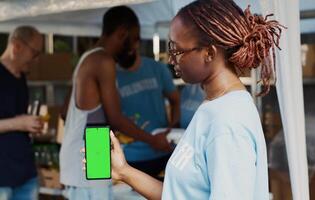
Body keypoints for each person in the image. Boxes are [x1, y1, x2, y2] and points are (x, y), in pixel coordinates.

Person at [99, 0, 285, 199]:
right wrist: (123, 171)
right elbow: (177, 195)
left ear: (209, 53)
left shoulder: (228, 123)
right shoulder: (214, 106)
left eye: (177, 50)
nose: (171, 59)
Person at [60, 6, 173, 200]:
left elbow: (64, 112)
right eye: (134, 39)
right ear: (122, 33)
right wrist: (153, 140)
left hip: (78, 157)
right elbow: (116, 118)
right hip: (91, 155)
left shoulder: (87, 57)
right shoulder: (104, 60)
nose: (134, 47)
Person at [114, 6, 180, 178]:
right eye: (122, 50)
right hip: (130, 157)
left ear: (137, 42)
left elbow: (175, 99)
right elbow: (115, 119)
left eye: (130, 47)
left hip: (163, 153)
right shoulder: (111, 75)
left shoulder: (156, 68)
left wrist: (173, 128)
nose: (127, 52)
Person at [0, 26, 44, 200]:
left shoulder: (21, 76)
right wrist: (19, 123)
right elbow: (16, 121)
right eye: (34, 53)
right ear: (16, 46)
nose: (36, 60)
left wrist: (30, 125)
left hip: (25, 174)